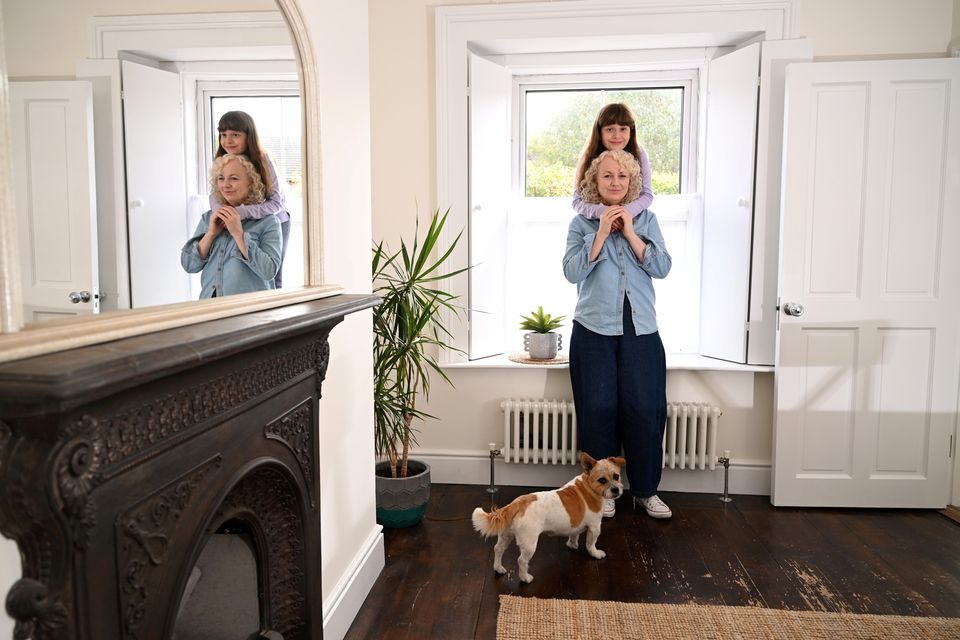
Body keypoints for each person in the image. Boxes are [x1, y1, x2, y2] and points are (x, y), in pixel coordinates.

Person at [562, 148, 673, 520]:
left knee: (645, 410)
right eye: (607, 176)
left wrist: (628, 230)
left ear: (633, 182)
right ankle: (602, 494)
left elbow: (662, 267)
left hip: (641, 330)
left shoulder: (648, 219)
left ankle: (645, 491)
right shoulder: (580, 224)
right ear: (595, 182)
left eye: (622, 176)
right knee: (597, 410)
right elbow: (572, 273)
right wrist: (599, 236)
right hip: (592, 330)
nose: (615, 182)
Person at [182, 154, 282, 298]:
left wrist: (239, 235)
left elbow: (269, 271)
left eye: (234, 178)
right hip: (210, 308)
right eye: (221, 178)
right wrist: (210, 234)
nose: (225, 185)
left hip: (249, 312)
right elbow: (189, 265)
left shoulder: (268, 222)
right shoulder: (209, 218)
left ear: (251, 182)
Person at [211, 110, 291, 288]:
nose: (228, 140)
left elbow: (277, 203)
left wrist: (240, 212)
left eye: (235, 135)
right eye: (223, 135)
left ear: (249, 136)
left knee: (272, 275)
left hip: (274, 221)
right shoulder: (223, 159)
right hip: (239, 221)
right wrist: (221, 212)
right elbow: (215, 193)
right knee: (243, 271)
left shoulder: (264, 160)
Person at [572, 103, 653, 225]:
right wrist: (605, 213)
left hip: (631, 219)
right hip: (596, 222)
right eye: (610, 129)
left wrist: (623, 214)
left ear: (631, 131)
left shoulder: (639, 153)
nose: (617, 135)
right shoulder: (588, 155)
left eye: (623, 129)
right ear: (600, 132)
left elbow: (647, 195)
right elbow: (577, 201)